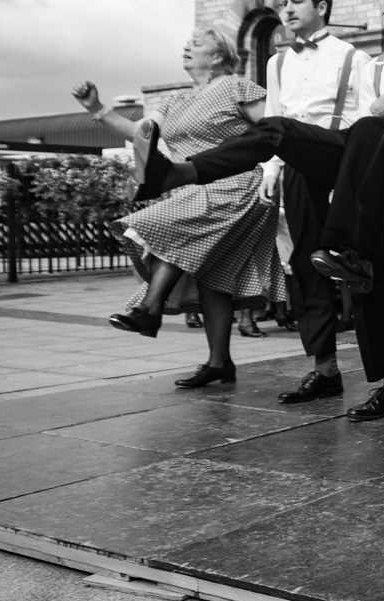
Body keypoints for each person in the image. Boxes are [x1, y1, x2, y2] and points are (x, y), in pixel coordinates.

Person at [132, 0, 384, 422]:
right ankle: (179, 173)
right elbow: (315, 124)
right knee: (279, 134)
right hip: (324, 163)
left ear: (322, 7)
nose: (286, 11)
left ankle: (346, 251)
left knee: (366, 248)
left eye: (295, 2)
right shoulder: (308, 64)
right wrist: (271, 169)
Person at [72, 27, 285, 388]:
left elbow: (277, 129)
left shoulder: (238, 87)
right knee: (211, 277)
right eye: (186, 44)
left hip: (239, 183)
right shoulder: (173, 100)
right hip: (193, 187)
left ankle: (149, 309)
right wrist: (97, 108)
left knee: (170, 228)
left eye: (197, 44)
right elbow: (141, 131)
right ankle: (220, 362)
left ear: (218, 56)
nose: (187, 47)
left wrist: (273, 169)